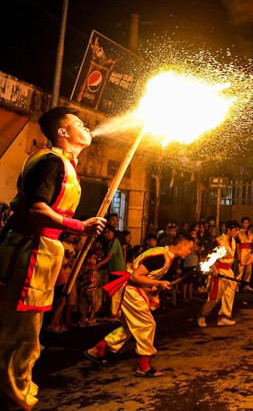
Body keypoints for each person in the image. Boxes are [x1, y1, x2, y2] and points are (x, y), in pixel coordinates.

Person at [0, 107, 106, 411]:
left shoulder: (64, 163)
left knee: (28, 332)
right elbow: (35, 210)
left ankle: (18, 393)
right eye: (80, 124)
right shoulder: (50, 162)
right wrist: (79, 226)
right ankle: (14, 401)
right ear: (62, 132)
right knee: (18, 334)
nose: (87, 129)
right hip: (28, 251)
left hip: (42, 250)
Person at [83, 236, 194, 376]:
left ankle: (98, 349)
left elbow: (146, 277)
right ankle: (143, 366)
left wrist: (154, 287)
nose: (190, 251)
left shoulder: (166, 256)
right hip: (131, 290)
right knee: (147, 324)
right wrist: (159, 283)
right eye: (189, 248)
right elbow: (135, 276)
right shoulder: (160, 257)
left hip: (135, 289)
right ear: (180, 246)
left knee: (131, 327)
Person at [198, 221, 240, 327]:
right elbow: (209, 256)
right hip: (219, 270)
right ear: (229, 230)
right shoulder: (219, 241)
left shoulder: (234, 241)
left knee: (230, 294)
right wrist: (213, 269)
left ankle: (223, 317)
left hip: (229, 271)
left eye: (238, 230)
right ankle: (202, 316)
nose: (237, 232)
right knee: (215, 296)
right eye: (235, 230)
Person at [236, 217, 253, 291]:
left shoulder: (250, 233)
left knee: (249, 270)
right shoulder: (238, 233)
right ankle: (236, 285)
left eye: (247, 223)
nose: (246, 224)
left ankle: (246, 285)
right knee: (240, 270)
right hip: (242, 252)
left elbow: (251, 243)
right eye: (244, 222)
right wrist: (238, 255)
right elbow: (237, 245)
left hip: (249, 253)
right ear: (242, 223)